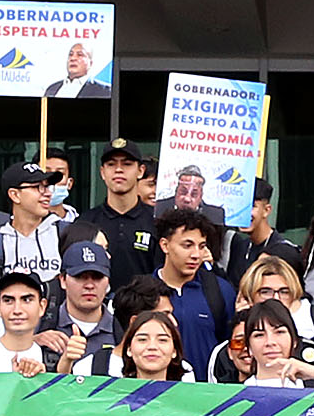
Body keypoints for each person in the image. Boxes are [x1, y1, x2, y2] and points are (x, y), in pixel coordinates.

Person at [154, 206, 233, 376]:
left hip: (208, 389)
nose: (196, 254)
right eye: (187, 245)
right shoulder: (144, 292)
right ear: (165, 245)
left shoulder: (221, 291)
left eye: (202, 246)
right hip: (155, 389)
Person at [70, 143, 162, 283]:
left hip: (148, 297)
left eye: (127, 164)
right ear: (102, 172)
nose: (119, 170)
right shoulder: (85, 223)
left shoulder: (157, 221)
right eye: (111, 164)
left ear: (140, 171)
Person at [42, 240, 125, 368]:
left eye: (97, 276)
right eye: (80, 276)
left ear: (108, 281)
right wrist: (32, 342)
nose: (89, 285)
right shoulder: (40, 324)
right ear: (63, 280)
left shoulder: (124, 331)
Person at [0, 163, 67, 286]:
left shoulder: (66, 234)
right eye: (38, 187)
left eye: (47, 186)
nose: (48, 193)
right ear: (14, 195)